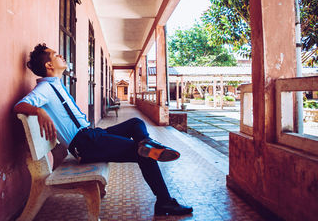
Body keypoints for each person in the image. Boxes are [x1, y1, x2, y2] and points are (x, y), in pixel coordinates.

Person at [14, 43, 193, 216]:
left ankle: (146, 142)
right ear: (49, 65)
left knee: (136, 123)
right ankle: (164, 201)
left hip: (92, 135)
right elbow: (19, 106)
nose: (61, 56)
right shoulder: (45, 88)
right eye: (56, 55)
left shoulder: (56, 84)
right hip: (84, 144)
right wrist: (38, 110)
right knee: (144, 153)